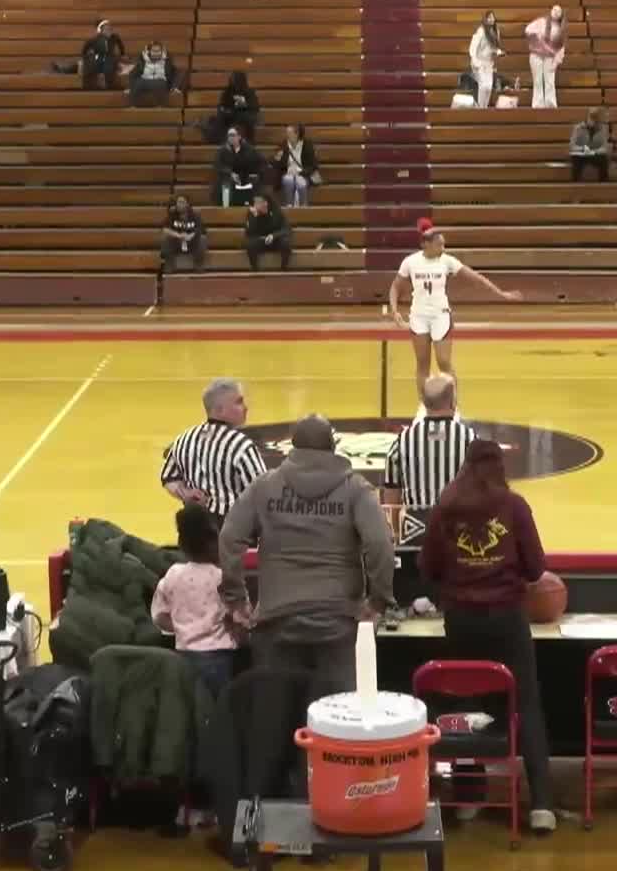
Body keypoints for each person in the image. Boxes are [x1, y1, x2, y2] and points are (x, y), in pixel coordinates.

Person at [417, 438, 557, 834]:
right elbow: (536, 568)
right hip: (508, 618)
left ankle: (469, 798)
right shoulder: (514, 507)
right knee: (526, 703)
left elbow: (427, 566)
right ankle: (542, 805)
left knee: (466, 704)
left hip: (461, 619)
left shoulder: (447, 506)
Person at [219, 413, 394, 697]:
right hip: (338, 621)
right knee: (337, 719)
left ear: (292, 447)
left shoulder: (265, 486)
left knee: (276, 721)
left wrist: (236, 598)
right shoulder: (355, 488)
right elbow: (380, 544)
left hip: (277, 621)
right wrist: (378, 600)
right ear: (333, 446)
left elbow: (229, 537)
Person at [389, 220, 522, 394]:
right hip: (419, 316)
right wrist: (394, 310)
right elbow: (395, 287)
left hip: (440, 315)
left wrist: (501, 294)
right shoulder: (410, 262)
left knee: (444, 362)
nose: (443, 248)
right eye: (439, 244)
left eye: (443, 244)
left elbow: (476, 278)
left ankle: (452, 405)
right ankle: (425, 405)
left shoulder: (448, 261)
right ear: (426, 245)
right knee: (422, 363)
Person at [152, 504, 240, 699]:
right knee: (217, 712)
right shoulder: (223, 578)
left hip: (183, 659)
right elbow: (240, 618)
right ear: (214, 542)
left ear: (181, 544)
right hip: (220, 661)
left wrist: (181, 626)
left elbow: (159, 616)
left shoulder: (173, 575)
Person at [160, 378, 267, 523]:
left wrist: (186, 494)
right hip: (233, 533)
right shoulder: (240, 445)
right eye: (239, 402)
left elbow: (168, 478)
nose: (245, 408)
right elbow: (263, 493)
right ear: (220, 410)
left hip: (197, 531)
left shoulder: (184, 439)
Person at [383, 373, 477, 511]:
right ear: (453, 402)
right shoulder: (470, 439)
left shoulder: (402, 441)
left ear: (424, 403)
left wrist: (397, 531)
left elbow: (391, 500)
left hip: (416, 529)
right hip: (457, 529)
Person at [524, 5, 566, 109]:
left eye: (559, 11)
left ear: (561, 15)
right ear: (551, 10)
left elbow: (561, 48)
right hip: (536, 54)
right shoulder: (541, 21)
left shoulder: (561, 30)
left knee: (550, 80)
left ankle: (550, 103)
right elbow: (527, 29)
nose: (556, 12)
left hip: (550, 57)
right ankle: (537, 104)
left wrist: (556, 61)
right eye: (554, 9)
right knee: (537, 80)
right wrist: (534, 33)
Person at [214, 126, 264, 208]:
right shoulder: (223, 150)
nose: (230, 138)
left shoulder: (248, 149)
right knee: (226, 183)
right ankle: (227, 208)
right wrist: (230, 173)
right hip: (229, 178)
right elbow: (218, 166)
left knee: (256, 182)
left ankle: (255, 207)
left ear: (239, 137)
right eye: (229, 135)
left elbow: (259, 162)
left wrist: (255, 173)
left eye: (233, 135)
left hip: (245, 177)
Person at [274, 124, 321, 207]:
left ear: (297, 134)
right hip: (288, 173)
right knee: (288, 180)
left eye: (289, 133)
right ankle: (289, 204)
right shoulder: (284, 144)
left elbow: (313, 165)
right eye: (287, 133)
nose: (287, 135)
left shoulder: (307, 145)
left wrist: (299, 172)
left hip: (303, 174)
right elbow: (276, 163)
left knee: (300, 182)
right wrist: (278, 159)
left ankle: (303, 206)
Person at [160, 193, 208, 273]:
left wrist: (190, 236)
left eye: (182, 202)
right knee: (165, 239)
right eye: (178, 202)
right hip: (177, 243)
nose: (179, 204)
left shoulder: (195, 215)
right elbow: (165, 229)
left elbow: (201, 230)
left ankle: (198, 264)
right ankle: (169, 264)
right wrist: (178, 235)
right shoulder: (172, 214)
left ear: (187, 204)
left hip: (191, 243)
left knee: (202, 239)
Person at [243, 193, 291, 271]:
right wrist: (255, 217)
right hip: (260, 240)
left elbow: (286, 229)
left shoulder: (276, 211)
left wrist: (273, 236)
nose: (256, 205)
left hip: (274, 240)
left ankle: (283, 269)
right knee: (250, 244)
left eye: (258, 202)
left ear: (265, 203)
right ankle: (255, 269)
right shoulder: (252, 212)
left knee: (285, 242)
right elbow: (249, 232)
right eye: (255, 202)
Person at [80, 19, 126, 91]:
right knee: (89, 64)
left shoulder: (114, 37)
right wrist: (84, 56)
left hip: (110, 58)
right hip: (98, 58)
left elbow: (121, 46)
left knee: (108, 66)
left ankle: (107, 83)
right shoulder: (95, 39)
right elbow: (85, 47)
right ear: (101, 31)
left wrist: (122, 54)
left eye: (110, 29)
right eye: (106, 29)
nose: (109, 30)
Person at [127, 41, 178, 107]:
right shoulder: (142, 61)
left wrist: (174, 87)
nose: (156, 53)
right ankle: (133, 106)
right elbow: (132, 74)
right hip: (144, 81)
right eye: (154, 51)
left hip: (160, 81)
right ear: (149, 52)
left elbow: (175, 73)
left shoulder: (167, 61)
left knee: (161, 83)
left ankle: (160, 106)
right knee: (138, 82)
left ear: (162, 52)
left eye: (158, 51)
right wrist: (131, 87)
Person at [215, 70, 260, 144]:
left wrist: (242, 105)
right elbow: (222, 106)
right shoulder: (227, 92)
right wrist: (226, 110)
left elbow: (253, 108)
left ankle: (247, 142)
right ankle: (223, 141)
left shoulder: (249, 92)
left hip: (245, 118)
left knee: (245, 118)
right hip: (229, 118)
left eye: (235, 80)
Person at [468, 11, 503, 106]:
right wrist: (475, 62)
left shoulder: (496, 31)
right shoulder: (481, 31)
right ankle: (480, 108)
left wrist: (498, 51)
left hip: (489, 63)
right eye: (489, 17)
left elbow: (493, 47)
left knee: (488, 87)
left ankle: (484, 107)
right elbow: (473, 47)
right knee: (483, 86)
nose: (491, 19)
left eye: (492, 17)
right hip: (479, 62)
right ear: (485, 19)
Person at [568, 107, 611, 181]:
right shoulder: (578, 128)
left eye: (595, 119)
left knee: (604, 160)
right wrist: (582, 148)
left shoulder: (603, 129)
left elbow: (605, 148)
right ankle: (575, 185)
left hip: (595, 154)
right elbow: (572, 146)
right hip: (581, 154)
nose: (593, 121)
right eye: (591, 118)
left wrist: (595, 151)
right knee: (575, 160)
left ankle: (603, 185)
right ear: (587, 117)